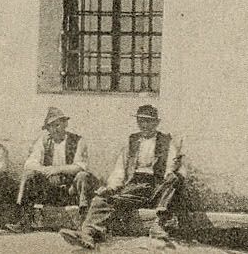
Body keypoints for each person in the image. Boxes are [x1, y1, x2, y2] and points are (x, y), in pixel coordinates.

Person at [60, 105, 184, 248]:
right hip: (133, 185)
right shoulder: (133, 141)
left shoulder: (166, 141)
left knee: (174, 179)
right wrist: (111, 187)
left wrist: (169, 174)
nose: (144, 125)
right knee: (101, 199)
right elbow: (120, 168)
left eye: (148, 121)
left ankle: (158, 225)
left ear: (156, 123)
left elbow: (172, 164)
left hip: (155, 185)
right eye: (141, 121)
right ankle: (87, 234)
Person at [18, 107, 95, 230]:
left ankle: (85, 224)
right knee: (29, 175)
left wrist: (57, 169)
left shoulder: (78, 140)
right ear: (47, 129)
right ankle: (24, 221)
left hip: (70, 189)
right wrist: (46, 170)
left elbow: (80, 166)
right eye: (51, 126)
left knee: (83, 176)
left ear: (65, 124)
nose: (55, 129)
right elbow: (29, 163)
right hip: (50, 189)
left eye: (58, 125)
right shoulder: (43, 141)